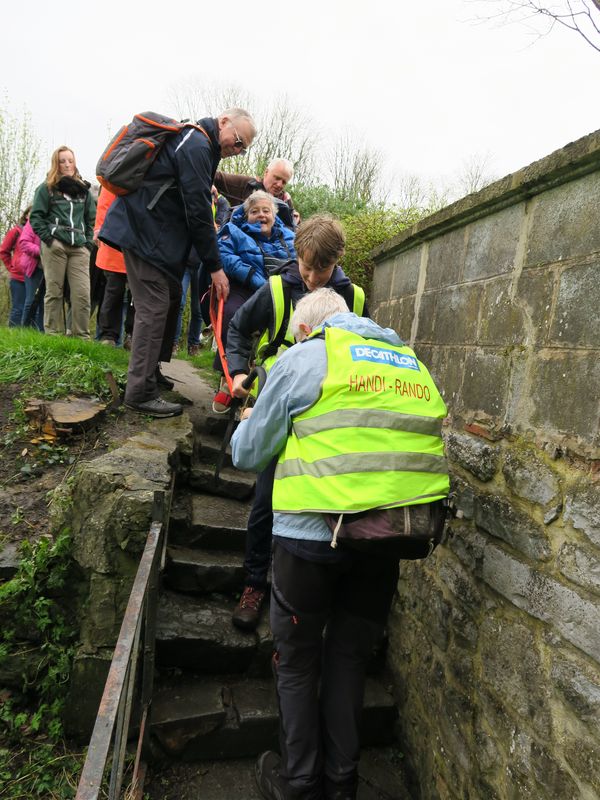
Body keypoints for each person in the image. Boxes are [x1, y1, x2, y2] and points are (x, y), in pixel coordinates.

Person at [230, 288, 449, 800]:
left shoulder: (306, 356)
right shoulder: (409, 363)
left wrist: (249, 422)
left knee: (300, 660)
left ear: (305, 329)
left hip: (309, 540)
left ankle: (300, 782)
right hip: (387, 539)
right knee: (350, 658)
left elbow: (246, 454)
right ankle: (342, 786)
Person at [225, 214, 367, 631]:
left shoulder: (354, 298)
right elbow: (238, 328)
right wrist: (237, 372)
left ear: (337, 260)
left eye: (319, 269)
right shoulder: (275, 288)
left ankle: (308, 595)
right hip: (274, 404)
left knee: (319, 505)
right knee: (266, 499)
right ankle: (254, 585)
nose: (309, 277)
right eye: (304, 266)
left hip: (326, 416)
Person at [100, 107, 256, 418]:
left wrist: (248, 184)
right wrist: (215, 268)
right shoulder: (197, 145)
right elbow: (198, 211)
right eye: (237, 141)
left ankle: (150, 375)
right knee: (154, 305)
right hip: (144, 233)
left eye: (243, 148)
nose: (236, 150)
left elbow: (205, 182)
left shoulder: (202, 146)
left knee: (171, 298)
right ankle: (139, 392)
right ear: (223, 122)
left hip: (155, 237)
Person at [212, 189, 296, 413]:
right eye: (255, 211)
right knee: (233, 315)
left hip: (281, 291)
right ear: (246, 214)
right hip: (246, 286)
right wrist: (255, 278)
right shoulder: (233, 230)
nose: (261, 215)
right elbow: (225, 256)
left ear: (274, 214)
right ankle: (229, 377)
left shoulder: (289, 236)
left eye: (266, 211)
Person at [30, 146, 95, 337]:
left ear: (75, 163)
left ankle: (81, 337)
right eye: (62, 161)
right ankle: (53, 335)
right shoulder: (47, 189)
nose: (67, 164)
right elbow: (36, 217)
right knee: (54, 291)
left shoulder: (84, 191)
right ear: (55, 164)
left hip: (79, 248)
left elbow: (91, 220)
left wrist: (88, 244)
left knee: (82, 294)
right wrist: (49, 239)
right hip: (55, 246)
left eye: (70, 160)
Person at [214, 158, 296, 229]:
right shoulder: (246, 185)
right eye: (277, 178)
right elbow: (212, 175)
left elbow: (293, 229)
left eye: (284, 182)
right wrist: (210, 184)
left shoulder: (285, 200)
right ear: (266, 172)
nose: (279, 184)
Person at [94, 187, 128, 346]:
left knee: (139, 295)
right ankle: (108, 335)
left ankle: (132, 335)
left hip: (139, 242)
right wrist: (100, 229)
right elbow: (104, 204)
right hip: (114, 241)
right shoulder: (115, 175)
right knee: (114, 290)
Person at [0, 207, 29, 326]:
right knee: (18, 308)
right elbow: (3, 251)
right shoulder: (16, 231)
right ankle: (14, 335)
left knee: (34, 308)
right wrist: (11, 267)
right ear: (26, 215)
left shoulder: (41, 231)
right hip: (18, 277)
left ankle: (31, 335)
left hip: (36, 276)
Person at [17, 216, 45, 330]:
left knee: (46, 302)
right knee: (31, 300)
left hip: (52, 268)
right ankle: (26, 330)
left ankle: (42, 332)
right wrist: (43, 252)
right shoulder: (34, 221)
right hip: (35, 267)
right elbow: (24, 243)